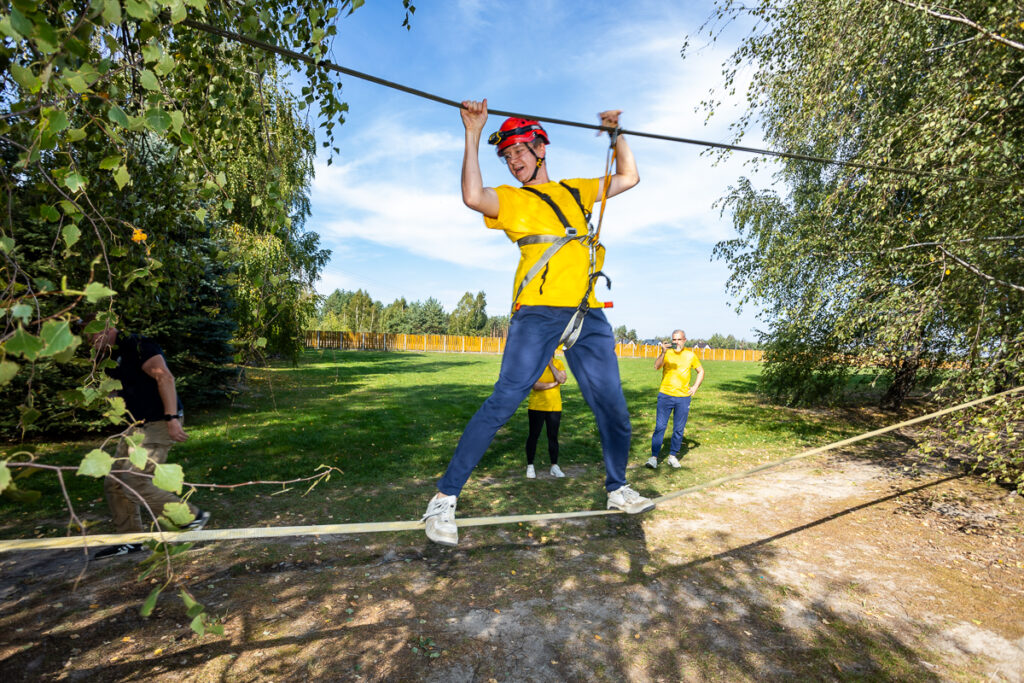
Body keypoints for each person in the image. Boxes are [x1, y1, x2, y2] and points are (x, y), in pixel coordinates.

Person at [421, 99, 655, 546]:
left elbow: (630, 176)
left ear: (541, 148)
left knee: (614, 409)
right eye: (507, 156)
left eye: (519, 151)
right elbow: (473, 196)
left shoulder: (576, 190)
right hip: (538, 313)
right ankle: (444, 499)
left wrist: (615, 135)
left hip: (588, 313)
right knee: (504, 402)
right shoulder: (511, 201)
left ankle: (617, 488)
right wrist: (473, 133)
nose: (513, 161)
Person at [87, 322, 210, 559]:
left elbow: (165, 378)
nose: (91, 341)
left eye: (93, 335)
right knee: (114, 481)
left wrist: (172, 418)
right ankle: (131, 540)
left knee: (135, 479)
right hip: (137, 426)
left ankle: (191, 517)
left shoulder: (139, 346)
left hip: (160, 421)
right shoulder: (108, 358)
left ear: (109, 327)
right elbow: (117, 391)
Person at [647, 329, 704, 470]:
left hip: (683, 398)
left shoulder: (690, 355)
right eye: (674, 339)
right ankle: (654, 457)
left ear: (684, 340)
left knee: (678, 429)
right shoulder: (667, 353)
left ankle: (672, 456)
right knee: (660, 427)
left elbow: (701, 371)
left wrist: (695, 387)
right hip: (665, 395)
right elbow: (656, 366)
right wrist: (663, 352)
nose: (676, 342)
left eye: (679, 339)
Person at [525, 352, 567, 479]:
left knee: (553, 437)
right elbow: (535, 386)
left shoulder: (558, 363)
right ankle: (530, 466)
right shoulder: (535, 364)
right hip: (536, 406)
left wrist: (550, 365)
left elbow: (562, 379)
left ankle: (554, 466)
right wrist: (553, 384)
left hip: (554, 407)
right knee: (533, 436)